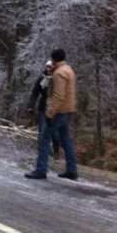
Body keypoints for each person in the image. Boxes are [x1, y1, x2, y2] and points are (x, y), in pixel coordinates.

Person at [25, 48, 78, 180]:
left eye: (51, 65)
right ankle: (72, 170)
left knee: (44, 139)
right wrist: (32, 105)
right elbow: (37, 90)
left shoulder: (58, 74)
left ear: (54, 61)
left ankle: (41, 170)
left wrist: (50, 113)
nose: (49, 68)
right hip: (67, 110)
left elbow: (58, 96)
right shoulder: (67, 70)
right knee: (65, 140)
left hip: (56, 111)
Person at [27, 60, 60, 159]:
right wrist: (31, 105)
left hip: (54, 109)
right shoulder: (43, 79)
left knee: (54, 133)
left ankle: (56, 151)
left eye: (51, 67)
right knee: (42, 132)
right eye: (47, 67)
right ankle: (46, 153)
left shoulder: (58, 79)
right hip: (43, 108)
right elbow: (35, 93)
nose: (49, 69)